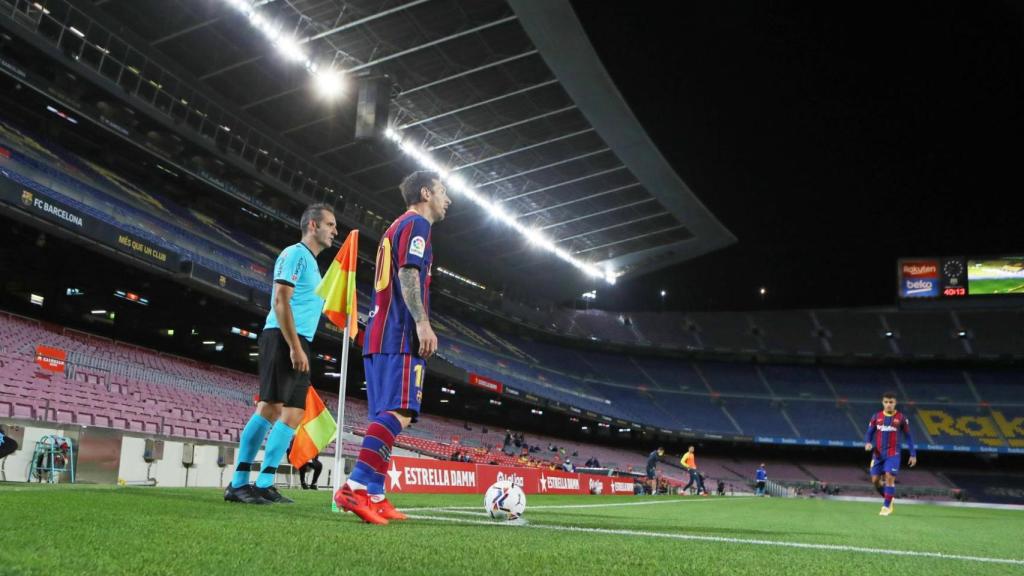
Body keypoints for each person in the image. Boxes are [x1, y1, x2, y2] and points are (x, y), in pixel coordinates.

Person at [334, 170, 451, 525]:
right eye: (444, 192)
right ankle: (354, 487)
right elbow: (408, 273)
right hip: (398, 334)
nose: (448, 200)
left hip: (379, 334)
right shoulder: (417, 224)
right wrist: (422, 322)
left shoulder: (396, 226)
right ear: (427, 193)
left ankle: (376, 494)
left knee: (385, 416)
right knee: (399, 413)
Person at [225, 203, 336, 505]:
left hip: (300, 340)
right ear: (313, 225)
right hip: (283, 338)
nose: (334, 231)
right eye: (330, 225)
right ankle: (237, 483)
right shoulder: (295, 254)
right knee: (270, 408)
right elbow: (280, 300)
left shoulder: (313, 265)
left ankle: (264, 482)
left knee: (294, 413)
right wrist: (295, 346)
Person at [865, 391, 917, 516]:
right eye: (886, 402)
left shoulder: (901, 418)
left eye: (891, 402)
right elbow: (869, 432)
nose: (889, 404)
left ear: (895, 403)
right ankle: (888, 497)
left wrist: (913, 454)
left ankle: (886, 506)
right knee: (875, 481)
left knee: (889, 476)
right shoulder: (876, 417)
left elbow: (908, 436)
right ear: (882, 403)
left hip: (893, 454)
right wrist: (867, 442)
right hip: (878, 454)